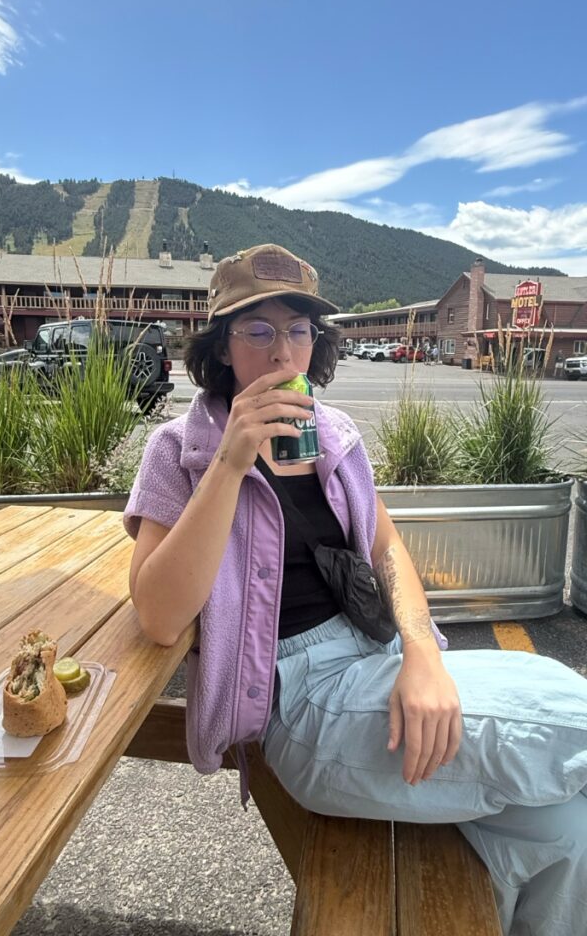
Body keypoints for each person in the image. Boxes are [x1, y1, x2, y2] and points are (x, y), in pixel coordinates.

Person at [124, 243, 587, 936]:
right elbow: (160, 618)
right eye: (257, 330)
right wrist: (230, 460)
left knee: (566, 830)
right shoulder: (178, 451)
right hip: (297, 697)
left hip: (378, 663)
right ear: (221, 347)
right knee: (570, 716)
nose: (283, 352)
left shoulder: (334, 433)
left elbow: (387, 550)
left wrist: (423, 655)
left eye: (298, 330)